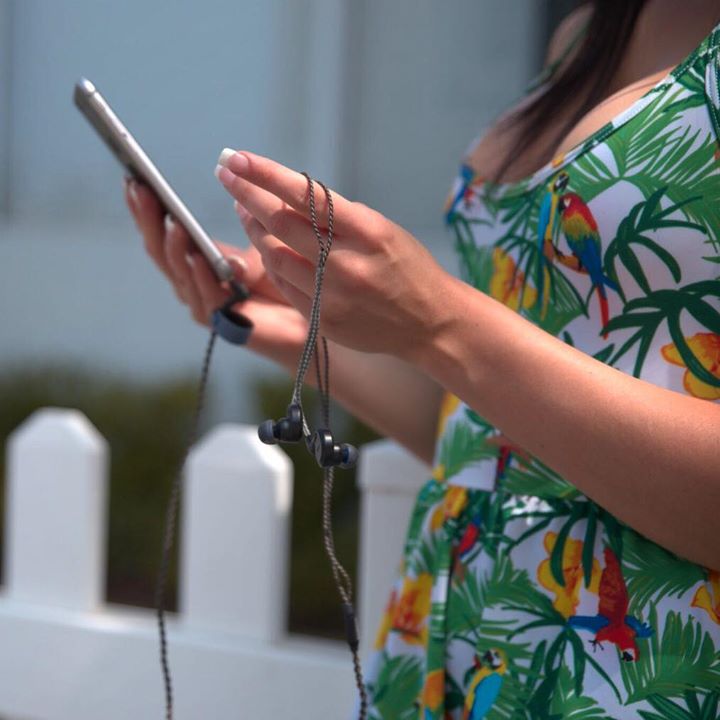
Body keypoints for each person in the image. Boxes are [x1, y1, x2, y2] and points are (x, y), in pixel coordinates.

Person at [124, 0, 720, 716]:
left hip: (641, 674)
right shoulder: (587, 37)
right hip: (452, 647)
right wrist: (298, 329)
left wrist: (442, 321)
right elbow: (492, 435)